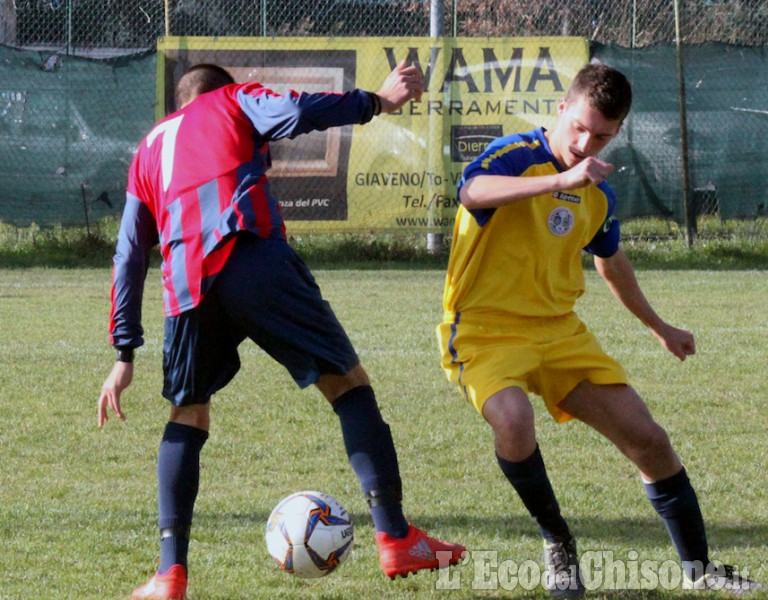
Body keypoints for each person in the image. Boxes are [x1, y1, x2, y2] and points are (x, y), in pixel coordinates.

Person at [98, 61, 465, 600]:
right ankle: (394, 535)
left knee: (187, 412)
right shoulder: (230, 100)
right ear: (222, 90)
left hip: (185, 285)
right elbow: (293, 111)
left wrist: (124, 349)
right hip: (249, 254)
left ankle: (168, 575)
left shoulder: (149, 149)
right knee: (347, 385)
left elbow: (129, 251)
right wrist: (377, 101)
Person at [437, 62, 760, 598]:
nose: (587, 143)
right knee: (513, 421)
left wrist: (659, 326)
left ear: (618, 132)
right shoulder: (516, 155)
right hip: (483, 331)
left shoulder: (597, 194)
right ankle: (557, 541)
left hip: (559, 333)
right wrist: (560, 179)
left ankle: (700, 569)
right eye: (580, 127)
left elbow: (611, 262)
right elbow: (472, 192)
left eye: (603, 136)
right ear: (561, 109)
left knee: (648, 439)